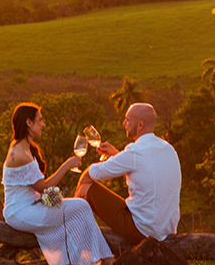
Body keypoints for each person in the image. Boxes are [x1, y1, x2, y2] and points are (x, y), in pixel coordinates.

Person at [2, 103, 113, 265]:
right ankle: (100, 262)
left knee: (78, 209)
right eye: (39, 120)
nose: (43, 124)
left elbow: (40, 189)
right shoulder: (19, 154)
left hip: (32, 206)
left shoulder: (25, 148)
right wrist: (67, 164)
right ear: (28, 123)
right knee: (81, 207)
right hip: (20, 212)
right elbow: (44, 187)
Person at [74, 102, 181, 245]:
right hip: (166, 231)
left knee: (86, 188)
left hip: (143, 231)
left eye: (128, 119)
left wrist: (78, 192)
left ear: (140, 125)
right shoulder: (168, 149)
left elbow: (93, 173)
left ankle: (73, 237)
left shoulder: (135, 151)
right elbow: (142, 172)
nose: (124, 123)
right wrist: (117, 155)